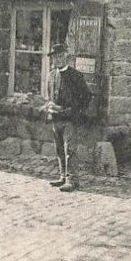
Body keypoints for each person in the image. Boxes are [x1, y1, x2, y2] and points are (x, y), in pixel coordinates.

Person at [46, 43, 92, 193]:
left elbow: (86, 97)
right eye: (54, 57)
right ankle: (62, 176)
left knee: (69, 150)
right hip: (56, 118)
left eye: (60, 56)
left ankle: (72, 180)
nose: (57, 60)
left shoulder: (75, 76)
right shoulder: (51, 75)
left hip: (69, 119)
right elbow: (49, 95)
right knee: (59, 148)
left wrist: (74, 110)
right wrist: (51, 106)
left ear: (66, 57)